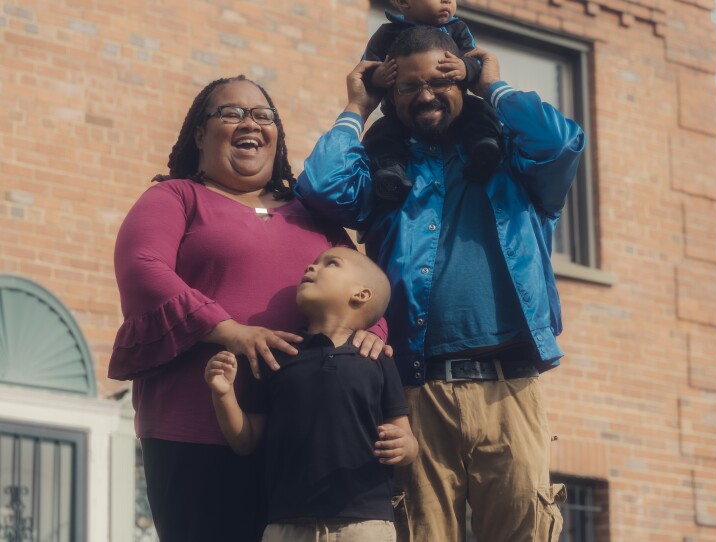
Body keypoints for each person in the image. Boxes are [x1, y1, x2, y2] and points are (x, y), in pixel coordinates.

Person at [294, 26, 586, 542]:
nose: (425, 95)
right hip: (414, 393)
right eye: (409, 86)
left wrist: (493, 86)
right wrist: (356, 108)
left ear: (462, 82)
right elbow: (321, 188)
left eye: (440, 80)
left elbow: (560, 141)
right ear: (392, 94)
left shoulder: (516, 163)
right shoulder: (386, 173)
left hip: (510, 386)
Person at [108, 75, 390, 542]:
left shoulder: (313, 215)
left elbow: (365, 286)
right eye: (232, 113)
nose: (250, 123)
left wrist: (371, 334)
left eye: (263, 115)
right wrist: (230, 331)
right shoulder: (176, 197)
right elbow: (143, 268)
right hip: (194, 429)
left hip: (301, 445)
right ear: (201, 134)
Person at [205, 246, 418, 542]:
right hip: (286, 523)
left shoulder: (377, 358)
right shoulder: (276, 356)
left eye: (331, 263)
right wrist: (223, 394)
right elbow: (246, 441)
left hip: (365, 522)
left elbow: (407, 439)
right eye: (314, 262)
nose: (311, 266)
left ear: (361, 294)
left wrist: (404, 447)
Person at [362, 0, 502, 201]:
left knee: (479, 110)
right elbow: (365, 69)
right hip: (401, 116)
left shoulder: (457, 29)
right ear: (403, 2)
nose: (447, 1)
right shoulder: (386, 33)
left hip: (455, 113)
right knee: (381, 134)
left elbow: (475, 59)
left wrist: (465, 66)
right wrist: (377, 76)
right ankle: (391, 171)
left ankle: (483, 147)